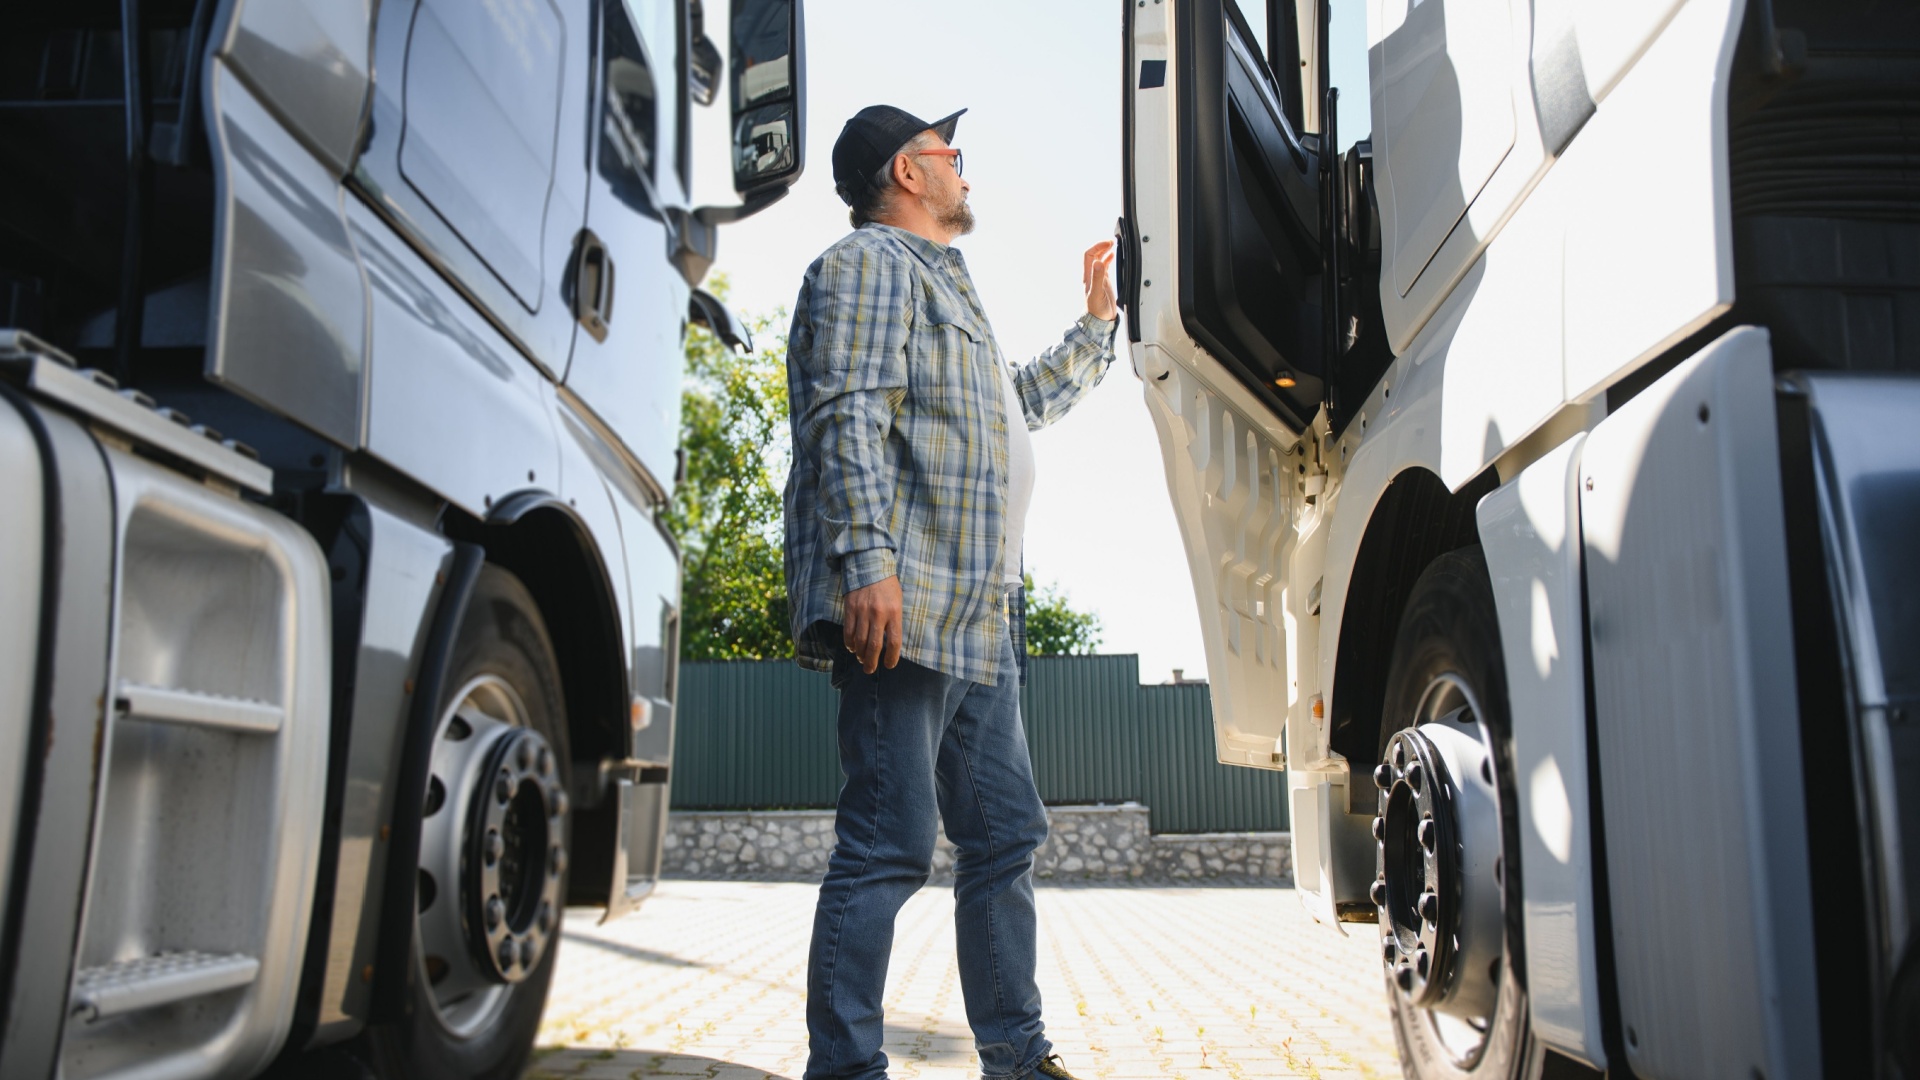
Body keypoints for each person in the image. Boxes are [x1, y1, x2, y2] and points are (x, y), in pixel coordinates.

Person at [781, 103, 1118, 1080]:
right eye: (950, 155)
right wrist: (868, 565)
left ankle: (1015, 1059)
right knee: (889, 841)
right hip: (909, 600)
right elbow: (847, 415)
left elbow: (1023, 403)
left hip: (980, 612)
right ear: (907, 173)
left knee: (1004, 836)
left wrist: (1095, 329)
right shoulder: (869, 267)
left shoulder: (945, 291)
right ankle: (844, 1070)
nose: (965, 170)